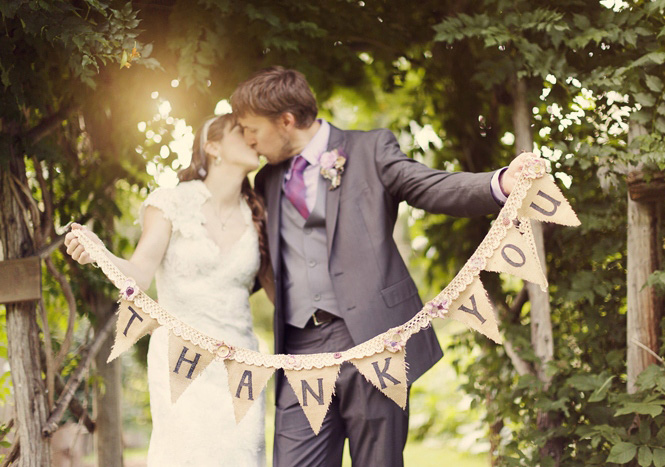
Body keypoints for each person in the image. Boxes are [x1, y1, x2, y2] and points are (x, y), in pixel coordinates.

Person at [230, 66, 532, 467]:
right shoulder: (266, 179)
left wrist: (499, 184)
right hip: (300, 351)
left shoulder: (370, 149)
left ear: (285, 120)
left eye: (251, 128)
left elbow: (428, 185)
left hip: (375, 340)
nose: (248, 139)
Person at [64, 114, 272, 466]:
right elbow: (139, 274)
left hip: (242, 367)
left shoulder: (257, 214)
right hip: (183, 363)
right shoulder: (171, 202)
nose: (253, 137)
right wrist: (100, 251)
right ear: (213, 146)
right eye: (242, 131)